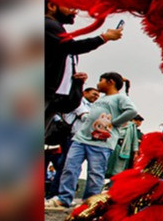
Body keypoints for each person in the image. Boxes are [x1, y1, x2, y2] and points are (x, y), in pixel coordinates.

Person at [45, 72, 138, 210]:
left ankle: (89, 202)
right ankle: (63, 198)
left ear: (110, 82)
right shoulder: (100, 99)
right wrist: (85, 118)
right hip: (81, 138)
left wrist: (114, 122)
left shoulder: (120, 97)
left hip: (101, 142)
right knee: (70, 168)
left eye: (101, 80)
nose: (98, 84)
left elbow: (132, 111)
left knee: (95, 173)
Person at [45, 0, 122, 126]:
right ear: (52, 6)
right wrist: (104, 37)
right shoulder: (49, 25)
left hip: (54, 95)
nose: (74, 12)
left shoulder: (55, 29)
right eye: (69, 6)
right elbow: (74, 47)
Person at [45, 87, 100, 199]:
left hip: (82, 137)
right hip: (72, 136)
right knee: (67, 166)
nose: (96, 97)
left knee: (70, 166)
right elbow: (86, 117)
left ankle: (58, 193)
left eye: (98, 95)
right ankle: (55, 193)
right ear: (85, 93)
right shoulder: (78, 103)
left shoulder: (93, 106)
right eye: (94, 94)